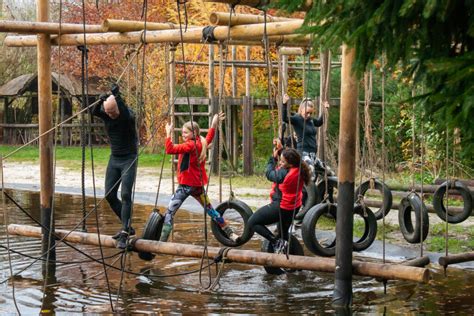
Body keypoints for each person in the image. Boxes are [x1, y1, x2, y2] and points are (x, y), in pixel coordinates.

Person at [160, 112, 239, 243]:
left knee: (169, 212)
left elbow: (170, 150)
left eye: (186, 133)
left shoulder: (190, 145)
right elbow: (209, 136)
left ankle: (161, 241)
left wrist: (168, 133)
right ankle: (230, 233)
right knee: (211, 211)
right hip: (197, 186)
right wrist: (214, 124)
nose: (183, 135)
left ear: (194, 133)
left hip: (186, 186)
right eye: (183, 133)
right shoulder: (200, 143)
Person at [92, 84, 138, 249]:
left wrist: (116, 94)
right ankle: (128, 225)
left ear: (117, 108)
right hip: (115, 159)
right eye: (108, 112)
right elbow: (94, 112)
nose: (110, 115)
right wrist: (100, 101)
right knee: (110, 195)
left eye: (112, 111)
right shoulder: (107, 116)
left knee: (125, 194)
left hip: (129, 159)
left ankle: (125, 232)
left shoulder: (127, 117)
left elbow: (123, 108)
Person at [247, 145, 311, 254]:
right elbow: (288, 155)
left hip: (282, 207)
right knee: (283, 232)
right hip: (294, 206)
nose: (280, 163)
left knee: (252, 222)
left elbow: (269, 174)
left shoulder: (284, 173)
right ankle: (290, 263)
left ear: (290, 164)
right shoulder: (299, 167)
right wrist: (280, 149)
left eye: (282, 161)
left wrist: (272, 159)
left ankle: (276, 242)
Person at [282, 93, 323, 176]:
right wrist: (284, 104)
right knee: (310, 171)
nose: (308, 115)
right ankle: (305, 188)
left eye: (310, 113)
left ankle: (320, 187)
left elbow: (319, 122)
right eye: (307, 113)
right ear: (301, 110)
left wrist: (325, 111)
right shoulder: (297, 119)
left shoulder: (311, 120)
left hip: (313, 154)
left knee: (326, 171)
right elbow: (285, 118)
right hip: (303, 153)